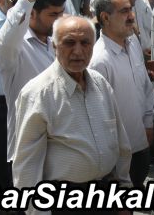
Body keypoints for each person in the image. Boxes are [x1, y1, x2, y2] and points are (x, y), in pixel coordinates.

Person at [13, 16, 132, 214]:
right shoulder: (38, 93)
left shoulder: (100, 83)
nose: (78, 51)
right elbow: (27, 166)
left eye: (85, 43)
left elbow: (120, 143)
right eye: (69, 42)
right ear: (54, 46)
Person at [0, 0, 65, 175]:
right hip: (27, 154)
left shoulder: (59, 44)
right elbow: (10, 31)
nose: (59, 20)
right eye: (52, 15)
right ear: (32, 12)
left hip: (62, 149)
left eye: (61, 13)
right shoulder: (13, 48)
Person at [89, 0, 154, 190]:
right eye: (124, 11)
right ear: (105, 17)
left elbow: (144, 86)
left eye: (131, 10)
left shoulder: (132, 42)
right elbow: (99, 115)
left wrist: (148, 122)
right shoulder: (99, 61)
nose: (132, 16)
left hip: (141, 143)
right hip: (116, 156)